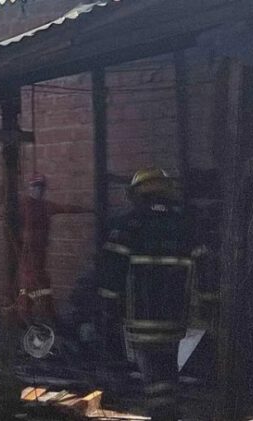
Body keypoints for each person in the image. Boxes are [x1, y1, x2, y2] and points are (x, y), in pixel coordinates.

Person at [95, 168, 198, 421]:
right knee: (168, 366)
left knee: (152, 371)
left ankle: (161, 413)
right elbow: (204, 263)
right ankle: (168, 410)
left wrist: (108, 306)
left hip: (141, 316)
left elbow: (113, 270)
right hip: (175, 315)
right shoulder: (184, 224)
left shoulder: (129, 223)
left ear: (138, 194)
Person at [16, 174, 90, 324]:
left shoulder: (45, 206)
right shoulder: (24, 205)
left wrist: (88, 209)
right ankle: (35, 316)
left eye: (41, 188)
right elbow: (10, 218)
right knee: (34, 283)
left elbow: (65, 208)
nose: (39, 191)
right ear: (30, 188)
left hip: (39, 254)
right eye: (36, 187)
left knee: (36, 284)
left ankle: (32, 315)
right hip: (28, 254)